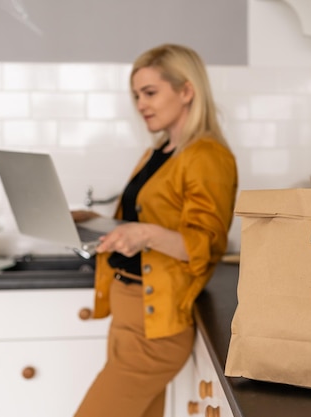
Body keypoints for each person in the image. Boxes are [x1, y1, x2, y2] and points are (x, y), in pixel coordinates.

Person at [72, 43, 238, 417]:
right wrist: (92, 219)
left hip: (155, 325)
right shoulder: (157, 152)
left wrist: (145, 234)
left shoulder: (208, 155)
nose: (140, 104)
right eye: (135, 95)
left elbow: (206, 244)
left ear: (186, 90)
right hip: (127, 311)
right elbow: (142, 219)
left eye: (150, 92)